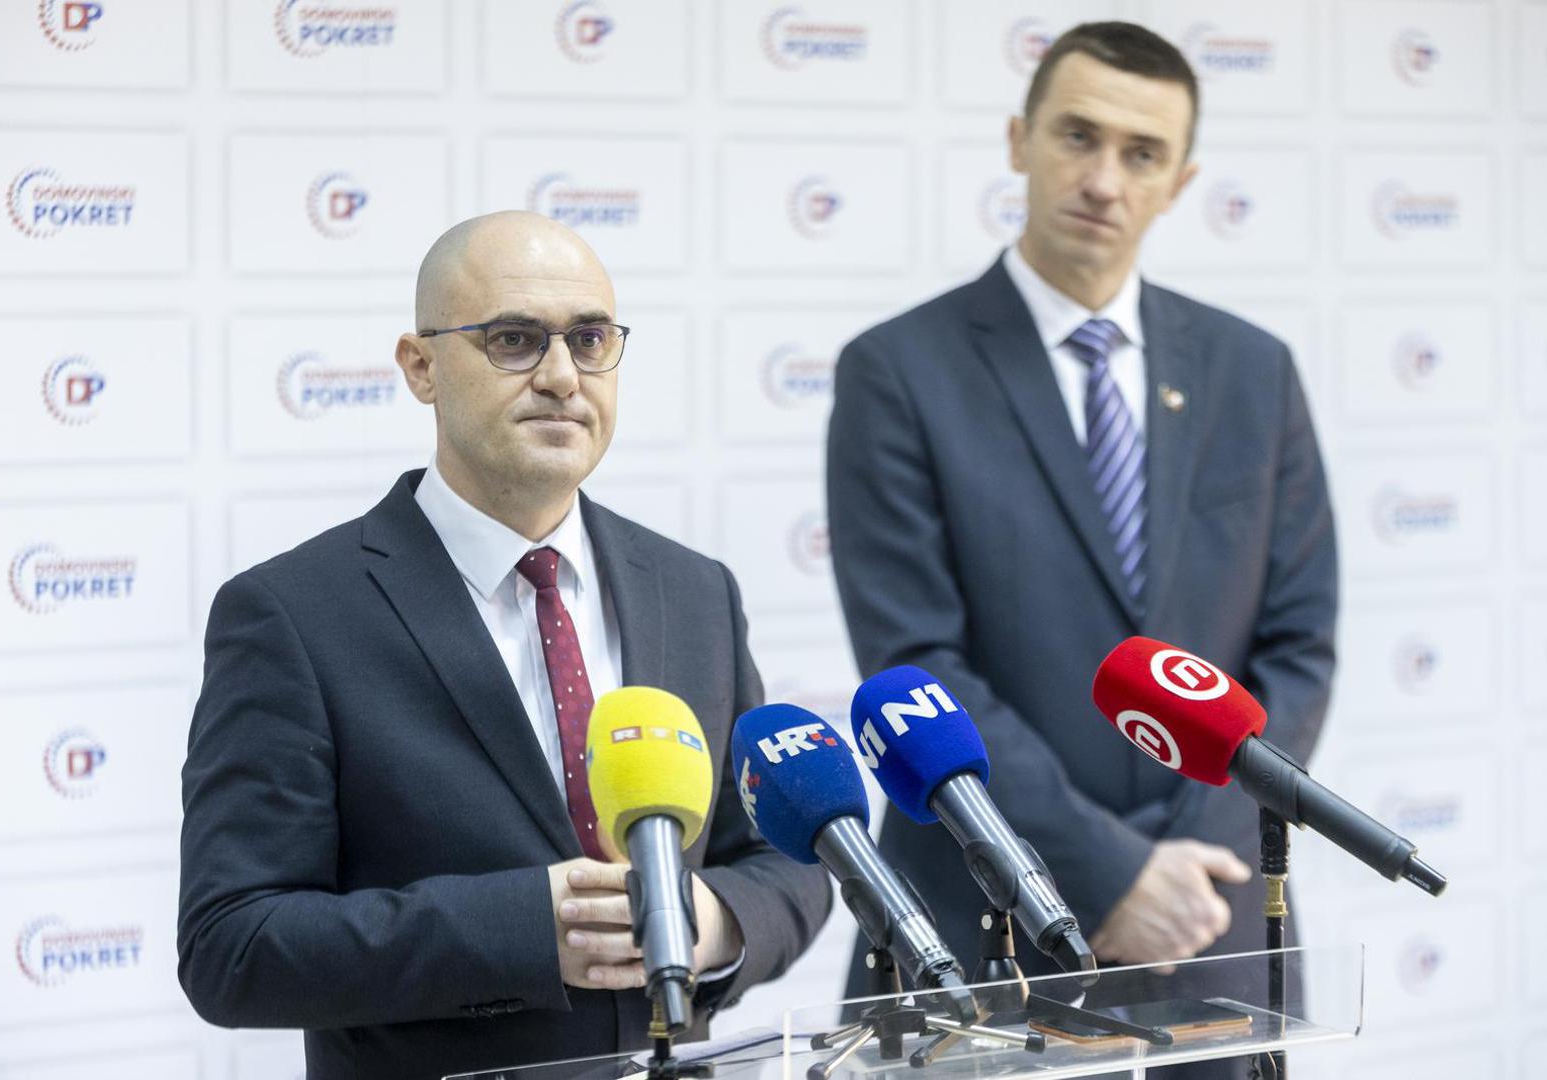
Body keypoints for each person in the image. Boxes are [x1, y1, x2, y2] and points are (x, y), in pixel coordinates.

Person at [179, 211, 832, 1080]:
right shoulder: (292, 614)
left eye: (590, 340)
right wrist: (527, 929)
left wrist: (710, 921)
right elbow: (232, 945)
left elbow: (788, 860)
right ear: (421, 366)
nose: (562, 377)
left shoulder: (693, 591)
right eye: (515, 340)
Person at [827, 18, 1337, 1038]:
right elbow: (918, 666)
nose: (1104, 180)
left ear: (1180, 182)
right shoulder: (898, 372)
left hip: (1211, 919)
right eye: (1077, 136)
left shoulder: (1253, 371)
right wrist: (1109, 872)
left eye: (1141, 153)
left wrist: (1183, 867)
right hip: (986, 922)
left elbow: (1297, 649)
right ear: (1019, 139)